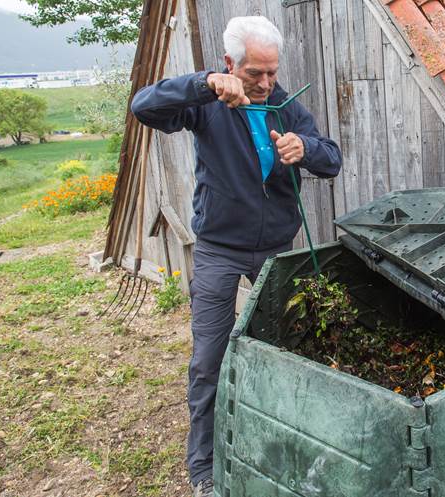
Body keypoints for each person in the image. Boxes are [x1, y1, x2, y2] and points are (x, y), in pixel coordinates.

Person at [130, 15, 342, 497]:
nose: (266, 84)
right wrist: (204, 85)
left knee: (284, 348)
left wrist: (304, 147)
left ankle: (277, 438)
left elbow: (332, 159)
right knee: (209, 357)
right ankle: (203, 468)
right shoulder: (207, 103)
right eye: (255, 74)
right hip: (219, 250)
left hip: (275, 249)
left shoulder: (285, 106)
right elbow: (145, 107)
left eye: (272, 72)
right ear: (231, 64)